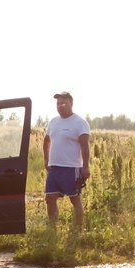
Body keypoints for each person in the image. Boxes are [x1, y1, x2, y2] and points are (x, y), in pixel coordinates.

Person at [43, 91, 91, 233]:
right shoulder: (53, 122)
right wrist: (46, 159)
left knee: (74, 199)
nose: (60, 106)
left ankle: (78, 230)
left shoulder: (80, 123)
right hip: (54, 169)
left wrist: (86, 167)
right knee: (49, 198)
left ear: (71, 103)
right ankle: (52, 229)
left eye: (63, 103)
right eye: (58, 104)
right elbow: (46, 141)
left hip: (71, 168)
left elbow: (85, 146)